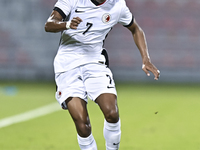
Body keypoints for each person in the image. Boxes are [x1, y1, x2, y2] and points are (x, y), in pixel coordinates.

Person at [45, 0, 160, 149]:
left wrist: (146, 59)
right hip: (67, 65)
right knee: (82, 124)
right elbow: (49, 24)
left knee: (112, 112)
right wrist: (66, 24)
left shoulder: (118, 6)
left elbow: (136, 29)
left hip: (94, 63)